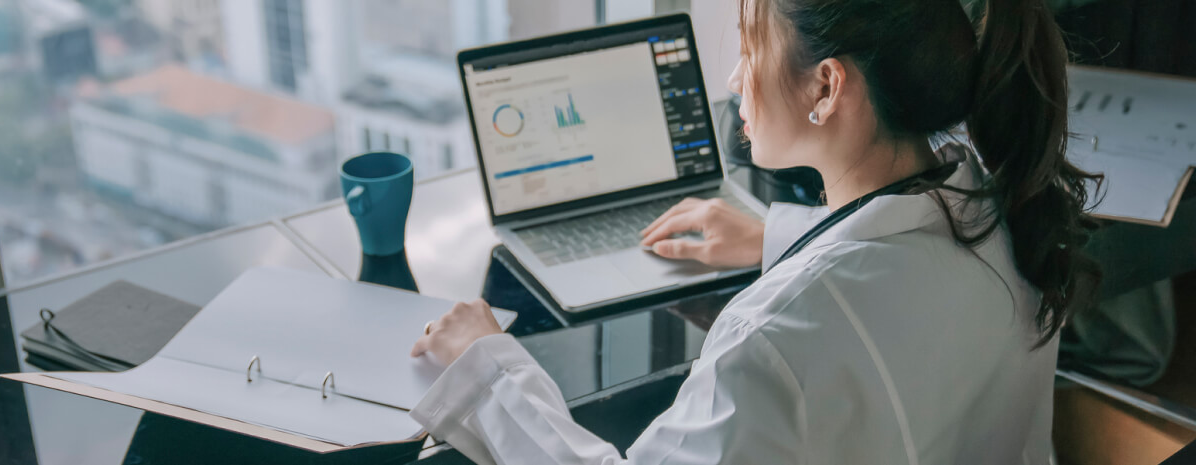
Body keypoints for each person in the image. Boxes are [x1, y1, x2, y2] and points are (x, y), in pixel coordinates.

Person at [408, 0, 1101, 462]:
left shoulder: (773, 338)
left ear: (827, 88)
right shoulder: (999, 202)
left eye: (750, 46)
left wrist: (490, 370)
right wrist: (775, 235)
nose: (737, 76)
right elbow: (890, 259)